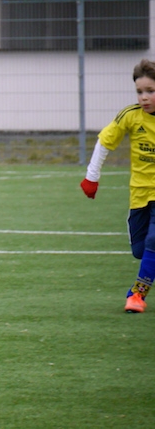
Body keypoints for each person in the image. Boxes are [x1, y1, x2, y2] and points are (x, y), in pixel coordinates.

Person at [80, 58, 155, 314]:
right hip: (140, 194)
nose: (144, 97)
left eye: (150, 91)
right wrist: (92, 177)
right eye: (139, 92)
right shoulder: (130, 116)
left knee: (154, 241)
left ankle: (137, 294)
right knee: (140, 250)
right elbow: (105, 141)